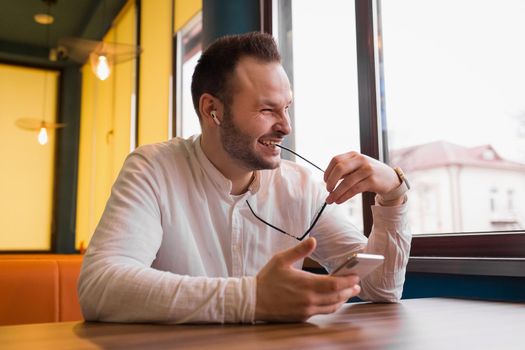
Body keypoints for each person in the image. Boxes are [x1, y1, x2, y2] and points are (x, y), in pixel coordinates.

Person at [78, 32, 411, 324]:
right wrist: (252, 298)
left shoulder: (301, 187)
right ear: (213, 111)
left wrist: (394, 193)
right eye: (267, 110)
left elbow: (381, 287)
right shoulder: (152, 168)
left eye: (287, 108)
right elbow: (100, 288)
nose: (286, 126)